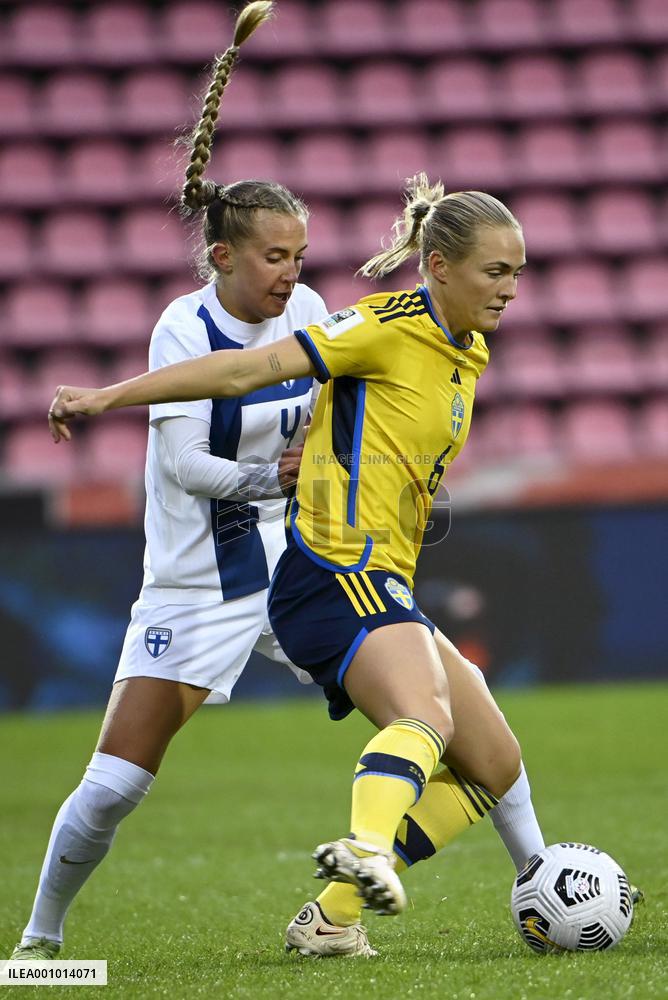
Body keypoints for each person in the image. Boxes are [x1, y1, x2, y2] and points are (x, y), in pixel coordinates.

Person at [45, 167, 548, 958]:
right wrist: (107, 398)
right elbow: (239, 382)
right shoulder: (373, 326)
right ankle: (42, 943)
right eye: (497, 270)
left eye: (518, 271)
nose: (512, 288)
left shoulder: (466, 352)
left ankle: (342, 914)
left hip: (348, 566)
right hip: (294, 570)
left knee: (491, 759)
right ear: (440, 267)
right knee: (424, 716)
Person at [10, 1, 328, 962]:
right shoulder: (181, 330)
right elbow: (184, 467)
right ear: (224, 256)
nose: (291, 274)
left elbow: (324, 415)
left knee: (436, 687)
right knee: (113, 786)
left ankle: (533, 872)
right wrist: (273, 481)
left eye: (298, 256)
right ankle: (39, 942)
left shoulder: (308, 309)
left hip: (292, 565)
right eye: (274, 257)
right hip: (194, 584)